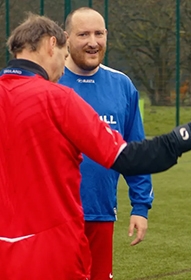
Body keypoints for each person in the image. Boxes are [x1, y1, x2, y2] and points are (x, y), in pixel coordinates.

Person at [0, 14, 191, 280]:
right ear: (52, 44)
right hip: (52, 253)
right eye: (63, 54)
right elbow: (130, 157)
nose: (62, 67)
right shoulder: (58, 98)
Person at [58, 7, 152, 279]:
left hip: (100, 213)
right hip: (54, 217)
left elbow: (135, 152)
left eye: (99, 33)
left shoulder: (121, 85)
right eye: (83, 34)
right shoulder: (50, 82)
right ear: (66, 38)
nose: (92, 42)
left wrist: (140, 206)